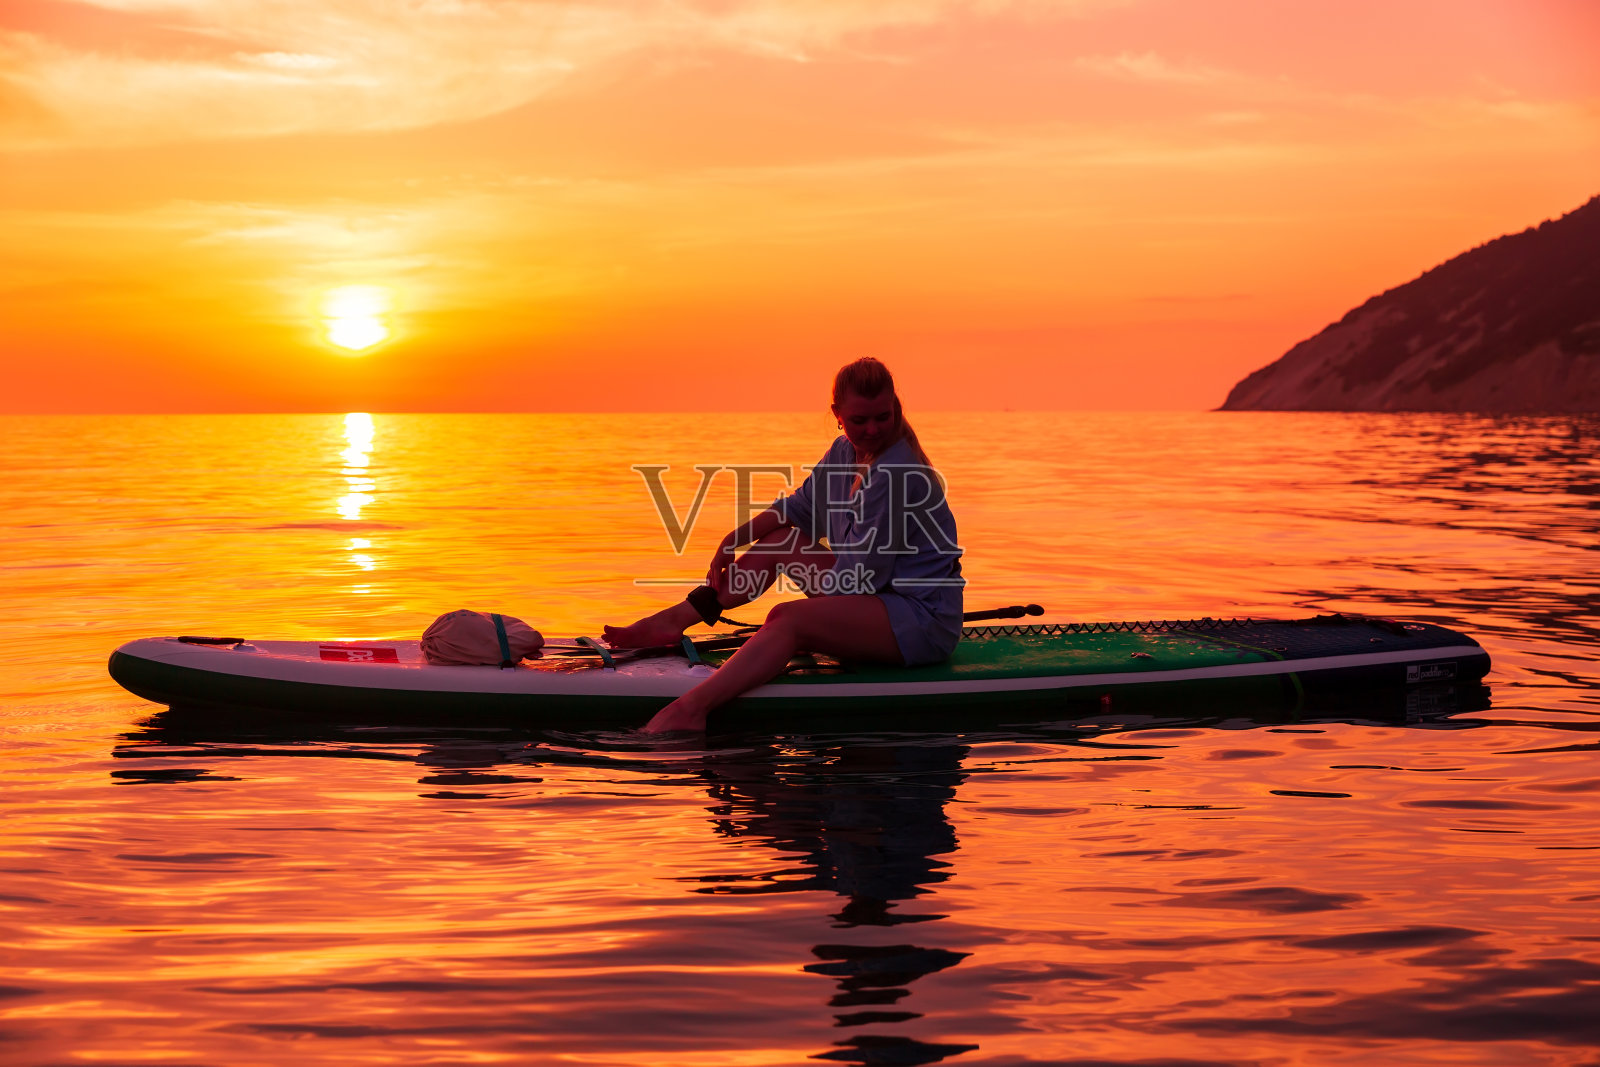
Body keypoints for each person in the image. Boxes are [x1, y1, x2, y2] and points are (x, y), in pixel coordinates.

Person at [604, 357, 964, 734]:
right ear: (837, 414)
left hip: (920, 621)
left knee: (787, 619)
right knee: (781, 540)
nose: (873, 429)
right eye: (860, 420)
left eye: (882, 417)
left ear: (895, 409)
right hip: (875, 595)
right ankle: (672, 622)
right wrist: (732, 539)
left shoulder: (896, 474)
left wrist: (792, 630)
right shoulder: (844, 453)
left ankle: (692, 708)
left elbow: (859, 581)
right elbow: (797, 509)